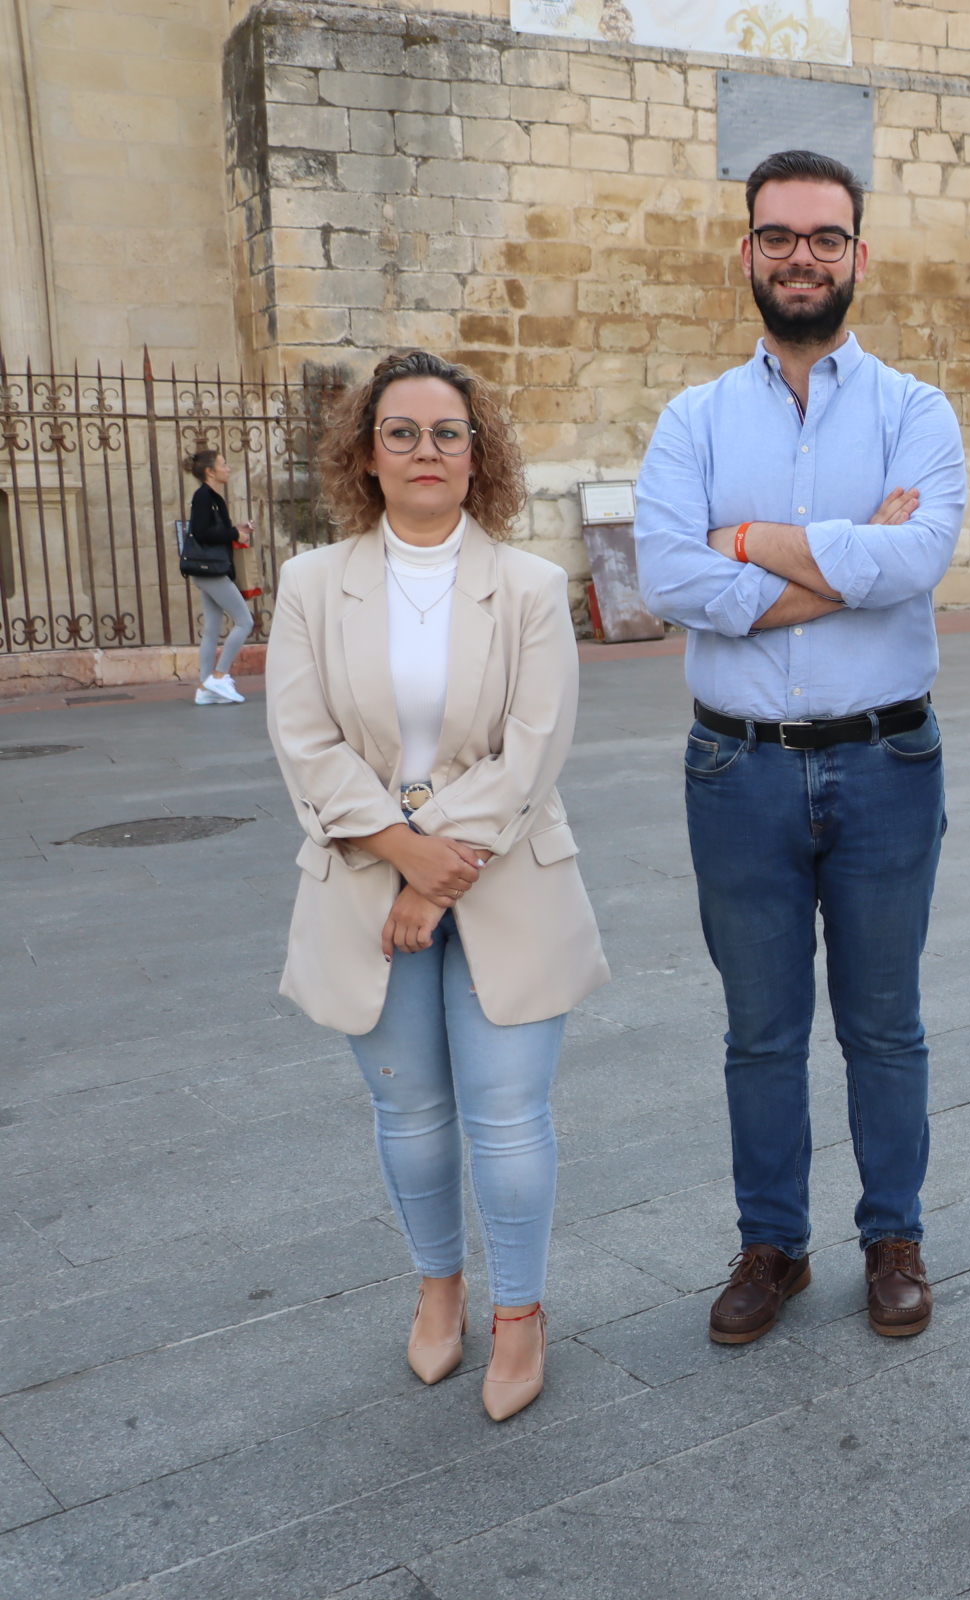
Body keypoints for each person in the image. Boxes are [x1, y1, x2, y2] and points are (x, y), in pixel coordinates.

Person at [634, 150, 967, 1347]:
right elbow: (668, 572)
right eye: (779, 236)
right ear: (748, 254)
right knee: (760, 1028)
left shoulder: (917, 414)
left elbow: (917, 563)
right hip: (737, 769)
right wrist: (838, 564)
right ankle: (771, 1243)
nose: (802, 257)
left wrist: (757, 541)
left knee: (885, 1023)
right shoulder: (693, 419)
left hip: (886, 762)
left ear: (859, 256)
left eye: (826, 237)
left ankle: (895, 1238)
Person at [266, 349, 610, 1423]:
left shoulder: (532, 587)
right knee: (409, 1111)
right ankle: (439, 1287)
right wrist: (404, 855)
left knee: (507, 1116)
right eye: (402, 432)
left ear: (479, 453)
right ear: (367, 455)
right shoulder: (313, 583)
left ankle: (520, 1314)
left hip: (504, 879)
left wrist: (439, 870)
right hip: (370, 877)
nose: (426, 450)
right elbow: (303, 739)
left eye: (448, 432)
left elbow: (535, 748)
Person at [182, 449, 253, 705]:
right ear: (210, 471)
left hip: (209, 570)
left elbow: (215, 531)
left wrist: (236, 529)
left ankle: (204, 688)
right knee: (245, 621)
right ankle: (219, 676)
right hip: (210, 571)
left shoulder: (212, 497)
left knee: (212, 628)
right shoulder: (203, 496)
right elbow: (201, 533)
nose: (228, 468)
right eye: (223, 464)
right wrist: (234, 535)